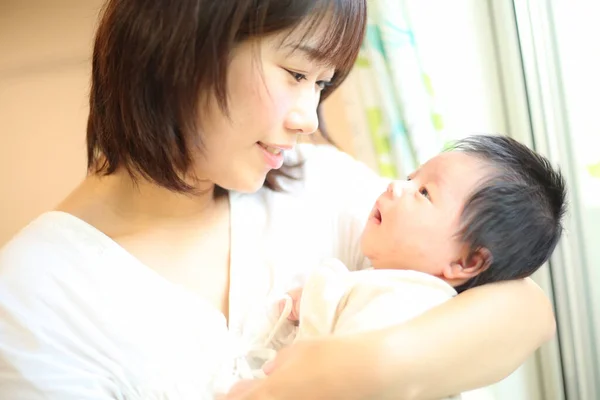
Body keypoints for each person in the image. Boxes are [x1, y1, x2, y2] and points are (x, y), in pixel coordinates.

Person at [0, 0, 556, 399]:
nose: (308, 118)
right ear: (183, 47)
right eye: (295, 73)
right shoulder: (30, 295)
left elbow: (522, 305)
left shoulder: (313, 183)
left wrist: (369, 368)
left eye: (321, 83)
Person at [229, 134, 566, 399]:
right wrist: (317, 300)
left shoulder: (408, 304)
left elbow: (332, 378)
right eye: (410, 177)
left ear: (467, 261)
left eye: (423, 192)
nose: (394, 186)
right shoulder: (393, 290)